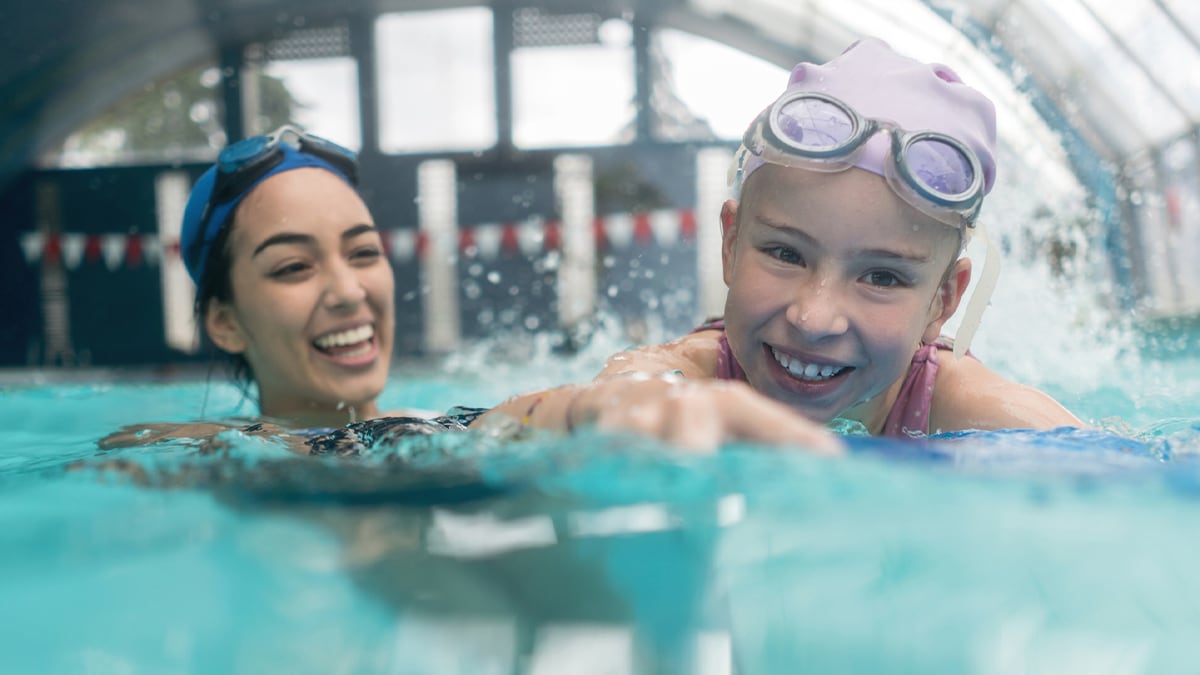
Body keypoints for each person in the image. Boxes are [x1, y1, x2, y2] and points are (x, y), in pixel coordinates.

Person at [476, 37, 1082, 450]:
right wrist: (606, 411)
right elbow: (482, 434)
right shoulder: (692, 376)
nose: (813, 317)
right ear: (731, 243)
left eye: (883, 277)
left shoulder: (972, 410)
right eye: (786, 253)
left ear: (942, 304)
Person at [101, 125, 481, 453]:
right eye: (294, 266)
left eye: (364, 252)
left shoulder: (459, 429)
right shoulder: (188, 450)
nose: (349, 292)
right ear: (225, 323)